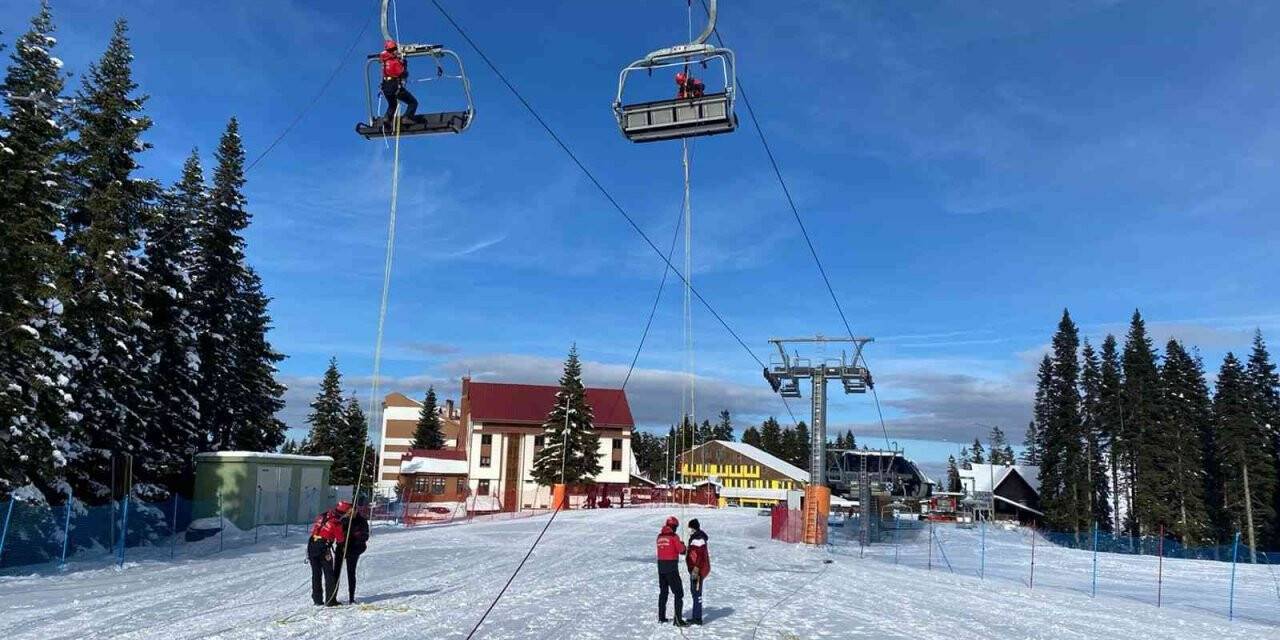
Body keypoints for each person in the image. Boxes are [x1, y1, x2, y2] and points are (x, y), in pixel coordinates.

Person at [307, 502, 347, 606]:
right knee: (329, 574)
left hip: (311, 545)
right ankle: (330, 600)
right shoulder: (336, 523)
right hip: (323, 547)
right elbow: (340, 540)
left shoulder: (323, 515)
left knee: (316, 574)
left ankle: (317, 599)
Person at [335, 500, 370, 604]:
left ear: (355, 510)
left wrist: (355, 536)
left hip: (354, 549)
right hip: (341, 548)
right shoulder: (344, 520)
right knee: (335, 572)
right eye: (348, 512)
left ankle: (351, 597)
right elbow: (338, 533)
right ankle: (332, 597)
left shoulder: (362, 521)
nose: (350, 514)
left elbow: (365, 536)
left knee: (351, 572)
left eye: (351, 512)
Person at [656, 515, 687, 627]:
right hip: (671, 568)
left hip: (661, 568)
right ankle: (678, 620)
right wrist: (683, 545)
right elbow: (681, 550)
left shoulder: (659, 537)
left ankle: (661, 617)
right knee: (679, 593)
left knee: (663, 593)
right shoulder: (674, 537)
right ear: (673, 526)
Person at [379, 39, 418, 123]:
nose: (397, 51)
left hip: (386, 87)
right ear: (392, 50)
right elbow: (403, 74)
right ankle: (406, 117)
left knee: (392, 105)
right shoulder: (394, 63)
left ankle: (387, 118)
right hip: (395, 87)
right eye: (395, 49)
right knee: (413, 103)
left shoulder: (385, 61)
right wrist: (404, 64)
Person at [685, 518, 711, 625]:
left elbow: (700, 556)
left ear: (694, 528)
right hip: (694, 569)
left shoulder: (699, 539)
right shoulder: (695, 537)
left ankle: (697, 618)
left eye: (690, 528)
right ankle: (696, 615)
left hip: (698, 570)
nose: (689, 530)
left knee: (696, 593)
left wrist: (696, 568)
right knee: (694, 592)